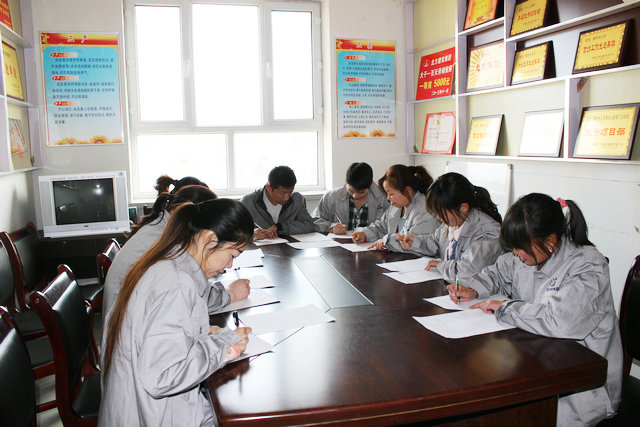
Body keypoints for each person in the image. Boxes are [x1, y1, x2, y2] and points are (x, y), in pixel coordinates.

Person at [449, 193, 622, 426]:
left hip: (581, 389)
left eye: (520, 247)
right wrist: (474, 289)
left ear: (550, 241)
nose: (516, 253)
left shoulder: (588, 266)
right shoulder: (531, 255)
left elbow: (560, 321)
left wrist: (506, 307)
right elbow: (497, 272)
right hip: (538, 360)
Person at [99, 199, 253, 426]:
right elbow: (164, 376)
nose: (229, 266)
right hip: (152, 415)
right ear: (209, 239)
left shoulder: (169, 261)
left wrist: (199, 334)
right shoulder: (177, 285)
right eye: (233, 254)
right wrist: (225, 344)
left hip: (136, 407)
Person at [102, 186, 250, 337]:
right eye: (232, 256)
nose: (230, 265)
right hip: (126, 333)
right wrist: (231, 294)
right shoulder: (174, 273)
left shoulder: (165, 234)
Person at [396, 172, 504, 280]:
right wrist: (415, 242)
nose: (438, 217)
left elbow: (466, 272)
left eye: (441, 212)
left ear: (463, 208)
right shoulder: (454, 221)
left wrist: (440, 265)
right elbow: (437, 242)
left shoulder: (489, 233)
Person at [352, 164, 438, 251]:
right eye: (387, 194)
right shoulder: (397, 206)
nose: (388, 198)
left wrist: (386, 241)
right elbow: (382, 227)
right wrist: (365, 234)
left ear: (408, 190)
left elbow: (412, 242)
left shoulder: (425, 210)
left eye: (391, 194)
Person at [312, 162, 389, 234]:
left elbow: (388, 225)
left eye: (361, 192)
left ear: (371, 184)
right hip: (338, 242)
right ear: (346, 182)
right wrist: (331, 227)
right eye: (351, 191)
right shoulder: (330, 197)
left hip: (371, 242)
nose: (355, 195)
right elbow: (314, 220)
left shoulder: (384, 198)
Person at [241, 165, 317, 239]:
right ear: (268, 188)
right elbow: (235, 231)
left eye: (290, 192)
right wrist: (251, 234)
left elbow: (309, 225)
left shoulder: (296, 199)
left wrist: (281, 227)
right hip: (260, 247)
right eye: (283, 193)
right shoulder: (248, 202)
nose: (287, 198)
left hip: (289, 246)